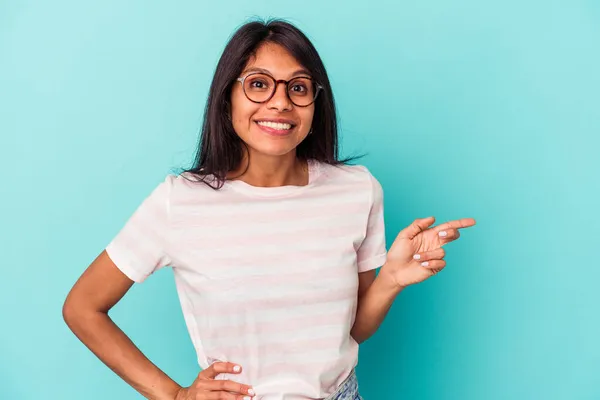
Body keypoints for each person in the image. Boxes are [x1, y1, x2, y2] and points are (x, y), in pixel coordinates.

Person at [62, 18, 476, 400]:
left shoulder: (357, 190)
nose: (280, 103)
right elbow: (82, 307)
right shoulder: (180, 201)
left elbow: (348, 334)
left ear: (316, 103)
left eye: (297, 87)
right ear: (227, 99)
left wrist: (391, 281)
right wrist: (174, 395)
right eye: (259, 85)